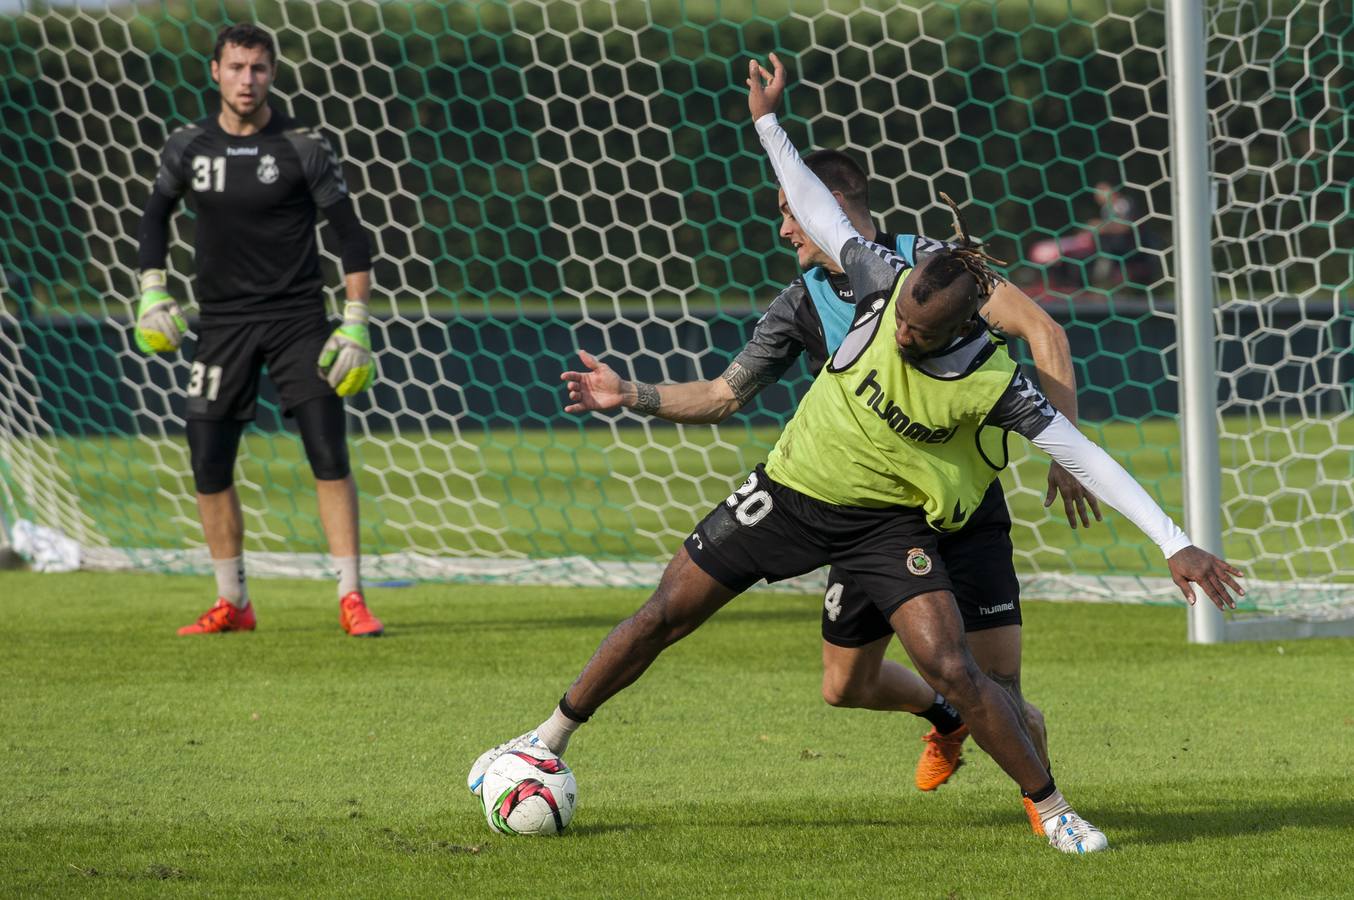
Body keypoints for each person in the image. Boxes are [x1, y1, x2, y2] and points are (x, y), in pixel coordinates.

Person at [470, 55, 1244, 853]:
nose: (899, 333)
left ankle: (1052, 809)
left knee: (954, 668)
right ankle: (543, 739)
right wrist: (768, 123)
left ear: (956, 331)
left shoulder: (994, 382)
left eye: (915, 333)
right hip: (792, 490)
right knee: (667, 612)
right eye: (898, 317)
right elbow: (811, 204)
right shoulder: (879, 275)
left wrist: (1173, 541)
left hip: (891, 524)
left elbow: (1087, 456)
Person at [561, 155, 1099, 799]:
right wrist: (631, 394)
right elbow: (722, 395)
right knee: (846, 686)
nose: (784, 230)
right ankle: (948, 714)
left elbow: (1042, 328)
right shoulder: (798, 306)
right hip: (870, 512)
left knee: (1001, 683)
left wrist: (1068, 451)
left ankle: (1051, 813)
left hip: (962, 509)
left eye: (790, 213)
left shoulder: (930, 270)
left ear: (829, 206)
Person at [134, 24, 383, 637]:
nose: (249, 79)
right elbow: (153, 221)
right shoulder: (186, 147)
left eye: (260, 69)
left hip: (300, 321)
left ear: (273, 74)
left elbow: (351, 236)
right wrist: (151, 293)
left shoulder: (302, 147)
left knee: (329, 454)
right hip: (220, 326)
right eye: (238, 67)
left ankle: (351, 597)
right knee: (207, 461)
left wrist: (355, 325)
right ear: (214, 71)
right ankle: (233, 602)